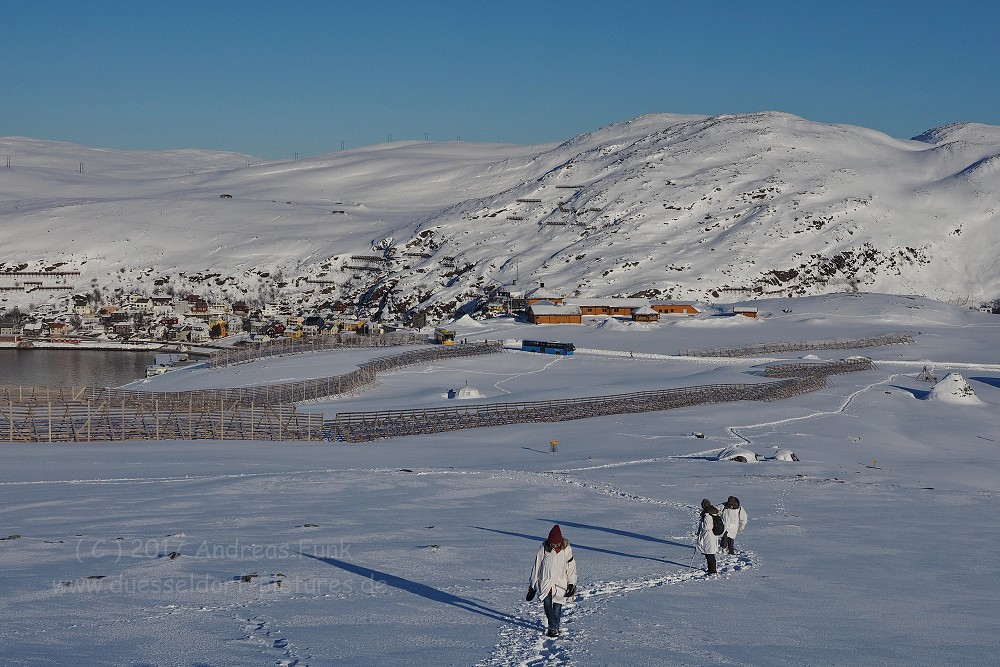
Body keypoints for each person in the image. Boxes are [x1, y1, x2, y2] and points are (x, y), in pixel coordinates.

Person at [526, 524, 578, 638]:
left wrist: (571, 583)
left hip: (561, 582)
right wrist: (532, 586)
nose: (554, 546)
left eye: (557, 544)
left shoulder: (567, 549)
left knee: (558, 606)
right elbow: (536, 566)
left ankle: (554, 628)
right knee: (547, 603)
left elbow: (571, 567)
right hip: (545, 581)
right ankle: (553, 627)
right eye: (552, 544)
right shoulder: (544, 548)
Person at [696, 498, 721, 575]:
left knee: (709, 554)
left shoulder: (707, 515)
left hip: (708, 536)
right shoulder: (713, 512)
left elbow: (708, 527)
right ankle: (711, 569)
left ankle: (712, 570)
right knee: (709, 553)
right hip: (713, 535)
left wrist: (702, 529)